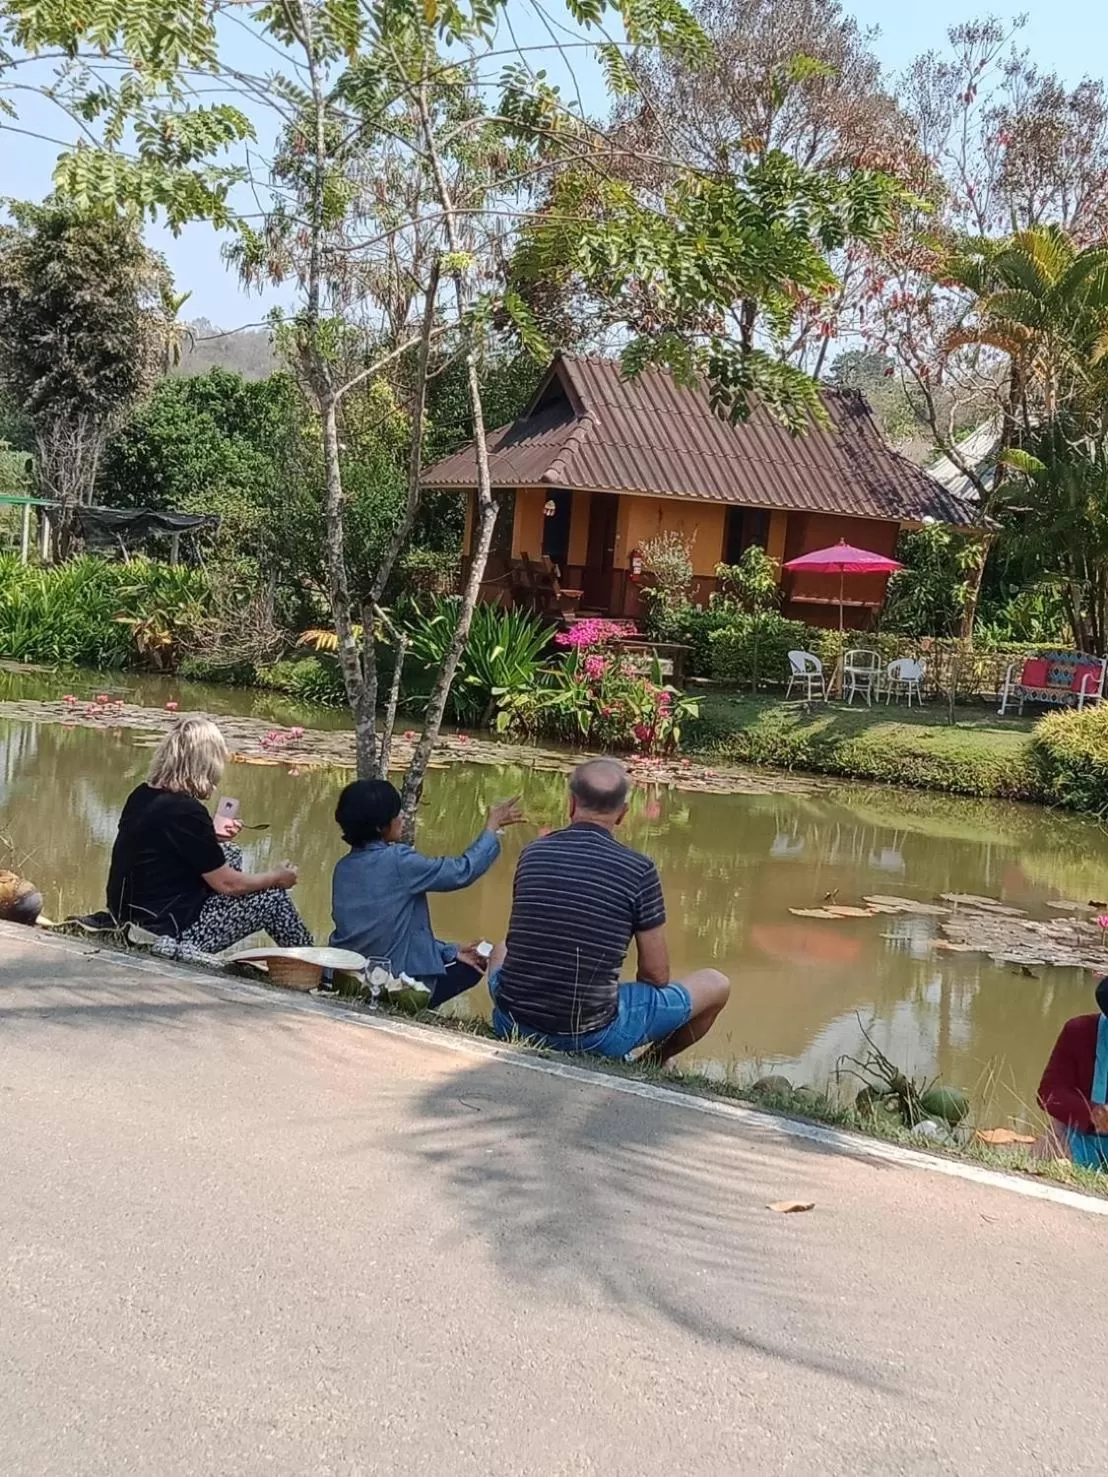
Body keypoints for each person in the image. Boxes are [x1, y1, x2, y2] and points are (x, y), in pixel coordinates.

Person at [489, 758, 730, 1064]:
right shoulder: (639, 870)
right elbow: (656, 975)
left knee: (501, 948)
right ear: (623, 814)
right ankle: (652, 1063)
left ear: (571, 803)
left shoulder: (533, 853)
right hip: (593, 1035)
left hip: (512, 1021)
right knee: (717, 984)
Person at [107, 715, 313, 960]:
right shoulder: (187, 810)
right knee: (272, 900)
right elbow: (228, 884)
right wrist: (276, 877)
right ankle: (315, 968)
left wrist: (209, 836)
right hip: (166, 932)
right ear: (207, 763)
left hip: (128, 916)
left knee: (231, 852)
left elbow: (161, 848)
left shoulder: (142, 795)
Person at [330, 779, 523, 1007]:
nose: (401, 816)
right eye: (396, 812)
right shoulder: (398, 861)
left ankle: (442, 958)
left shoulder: (343, 868)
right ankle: (411, 1000)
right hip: (391, 981)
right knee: (475, 964)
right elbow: (462, 871)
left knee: (457, 955)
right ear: (379, 826)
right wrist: (491, 829)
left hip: (348, 975)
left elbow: (383, 930)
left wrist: (449, 950)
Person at [1037, 976, 1108, 1169]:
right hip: (1078, 1135)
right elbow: (1049, 1093)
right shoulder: (1079, 1031)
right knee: (1054, 1135)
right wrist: (1097, 1115)